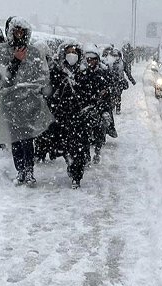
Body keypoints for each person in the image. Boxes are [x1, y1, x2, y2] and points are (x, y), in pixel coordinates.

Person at [0, 16, 53, 187]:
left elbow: (42, 77)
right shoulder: (1, 52)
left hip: (29, 104)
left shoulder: (34, 52)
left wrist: (36, 92)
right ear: (10, 32)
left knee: (27, 139)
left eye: (22, 31)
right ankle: (20, 171)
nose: (19, 34)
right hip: (10, 103)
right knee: (15, 139)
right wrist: (16, 61)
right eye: (16, 31)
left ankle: (29, 172)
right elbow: (1, 80)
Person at [49, 43, 102, 188]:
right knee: (66, 147)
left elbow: (91, 93)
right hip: (62, 116)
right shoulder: (57, 71)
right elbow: (51, 92)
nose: (72, 54)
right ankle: (70, 163)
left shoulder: (85, 73)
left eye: (74, 52)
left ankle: (77, 176)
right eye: (69, 52)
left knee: (79, 147)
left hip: (80, 117)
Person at [83, 46, 113, 164]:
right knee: (84, 132)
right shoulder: (83, 73)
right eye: (88, 59)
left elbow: (111, 86)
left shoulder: (103, 72)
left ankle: (97, 151)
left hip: (101, 105)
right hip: (86, 106)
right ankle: (86, 155)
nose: (91, 61)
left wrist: (106, 91)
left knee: (99, 130)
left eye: (93, 59)